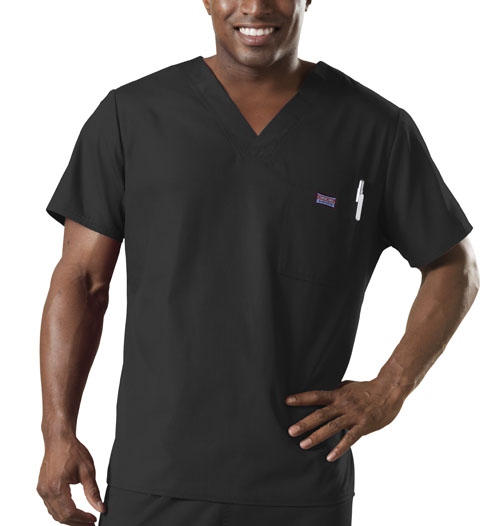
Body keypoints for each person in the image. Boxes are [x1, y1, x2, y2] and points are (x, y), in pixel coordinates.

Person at [37, 1, 478, 525]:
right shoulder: (130, 116)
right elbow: (82, 281)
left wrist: (390, 389)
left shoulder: (375, 130)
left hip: (303, 485)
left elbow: (455, 267)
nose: (255, 6)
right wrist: (57, 431)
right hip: (157, 475)